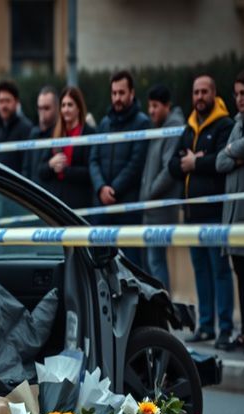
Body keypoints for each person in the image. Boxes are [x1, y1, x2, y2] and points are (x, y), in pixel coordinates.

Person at [168, 75, 235, 350]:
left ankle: (225, 328)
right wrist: (190, 163)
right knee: (201, 271)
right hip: (192, 214)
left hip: (215, 213)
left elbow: (221, 162)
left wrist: (195, 163)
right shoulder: (189, 127)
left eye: (204, 92)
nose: (199, 97)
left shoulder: (224, 125)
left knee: (220, 271)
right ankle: (206, 325)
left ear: (214, 93)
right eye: (196, 92)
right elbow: (173, 164)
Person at [216, 70, 244, 353]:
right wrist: (236, 154)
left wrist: (231, 152)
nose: (239, 98)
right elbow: (220, 162)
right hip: (234, 216)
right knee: (242, 276)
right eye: (236, 93)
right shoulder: (237, 123)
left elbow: (242, 147)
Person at [89, 70, 150, 267]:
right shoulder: (105, 123)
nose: (117, 98)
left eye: (121, 93)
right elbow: (94, 159)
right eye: (114, 93)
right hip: (102, 210)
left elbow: (136, 164)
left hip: (127, 210)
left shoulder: (142, 123)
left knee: (131, 268)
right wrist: (101, 188)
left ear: (132, 93)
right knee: (101, 269)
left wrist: (113, 190)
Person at [139, 84, 184, 291]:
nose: (151, 111)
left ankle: (164, 311)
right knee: (152, 263)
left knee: (156, 263)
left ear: (167, 106)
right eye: (150, 106)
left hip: (160, 209)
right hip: (151, 209)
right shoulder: (158, 128)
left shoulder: (172, 129)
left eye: (155, 106)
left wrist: (148, 194)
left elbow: (168, 169)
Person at [36, 85, 95, 210]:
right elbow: (40, 170)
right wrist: (51, 164)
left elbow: (91, 172)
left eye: (70, 105)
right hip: (56, 204)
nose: (66, 109)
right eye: (63, 105)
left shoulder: (88, 134)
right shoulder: (54, 133)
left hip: (80, 204)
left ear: (79, 107)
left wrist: (65, 170)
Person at [0, 79, 33, 173]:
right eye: (0, 101)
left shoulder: (26, 129)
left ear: (16, 102)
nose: (4, 106)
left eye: (7, 101)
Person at [22, 85, 59, 186]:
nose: (42, 112)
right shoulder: (33, 133)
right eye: (40, 108)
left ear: (57, 108)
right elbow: (26, 168)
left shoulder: (61, 134)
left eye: (47, 108)